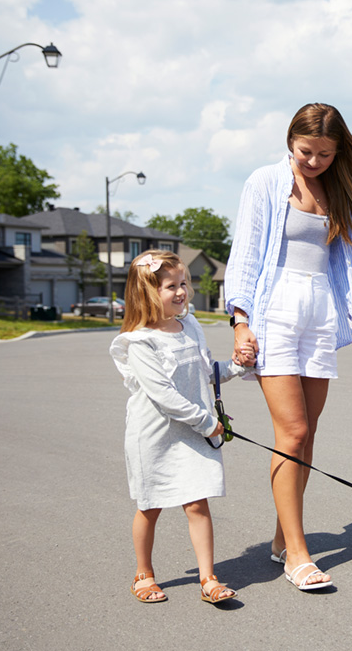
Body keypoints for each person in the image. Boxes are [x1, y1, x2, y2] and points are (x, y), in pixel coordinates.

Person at [224, 103, 352, 591]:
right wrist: (240, 320)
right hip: (275, 314)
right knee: (290, 432)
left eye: (325, 154)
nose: (313, 162)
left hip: (320, 316)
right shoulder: (265, 183)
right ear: (289, 142)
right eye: (305, 152)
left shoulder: (337, 188)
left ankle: (280, 538)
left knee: (307, 436)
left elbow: (347, 267)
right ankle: (297, 555)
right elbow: (245, 255)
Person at [109, 250, 253, 604]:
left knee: (197, 504)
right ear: (146, 292)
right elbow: (164, 396)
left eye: (184, 283)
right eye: (170, 286)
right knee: (150, 505)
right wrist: (209, 423)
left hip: (194, 431)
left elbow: (205, 373)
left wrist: (236, 366)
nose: (181, 292)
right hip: (154, 436)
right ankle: (144, 572)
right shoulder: (140, 341)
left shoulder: (190, 326)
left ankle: (208, 577)